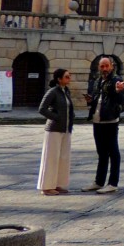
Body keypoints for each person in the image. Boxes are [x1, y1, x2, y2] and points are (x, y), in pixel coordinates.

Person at [82, 57, 124, 194]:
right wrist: (90, 101)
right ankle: (99, 181)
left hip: (110, 121)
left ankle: (113, 183)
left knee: (113, 152)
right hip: (97, 120)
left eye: (107, 66)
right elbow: (98, 99)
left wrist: (120, 91)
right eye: (102, 66)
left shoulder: (116, 80)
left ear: (112, 66)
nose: (104, 69)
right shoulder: (97, 81)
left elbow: (122, 101)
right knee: (101, 152)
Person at [38, 68, 75, 196]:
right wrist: (56, 117)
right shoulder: (52, 92)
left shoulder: (66, 92)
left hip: (66, 128)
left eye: (69, 76)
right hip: (54, 129)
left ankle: (59, 184)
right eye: (66, 77)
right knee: (51, 158)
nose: (69, 79)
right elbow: (42, 109)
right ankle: (46, 187)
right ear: (59, 79)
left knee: (63, 157)